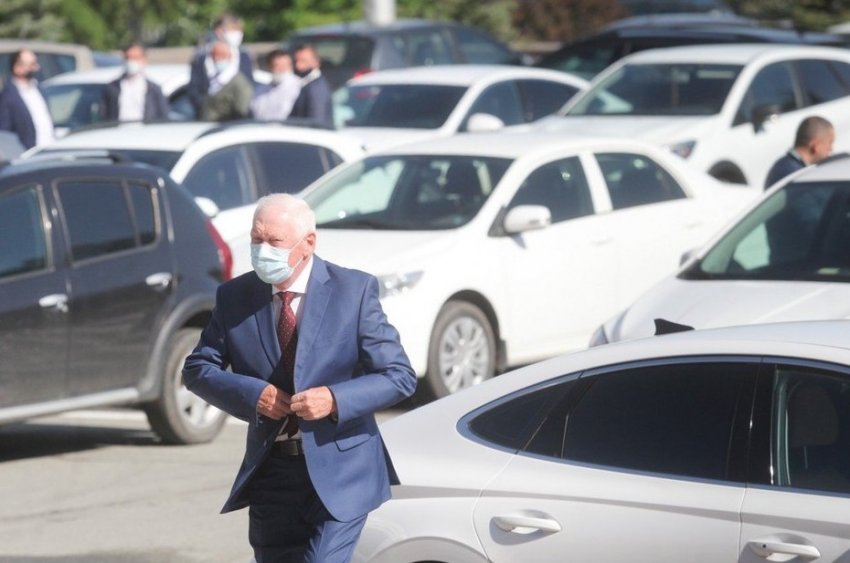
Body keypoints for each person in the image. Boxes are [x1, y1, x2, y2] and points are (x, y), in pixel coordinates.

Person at [182, 193, 416, 563]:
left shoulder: (352, 291)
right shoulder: (235, 296)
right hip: (273, 470)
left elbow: (398, 375)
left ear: (308, 243)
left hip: (342, 469)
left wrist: (334, 399)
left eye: (274, 241)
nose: (262, 250)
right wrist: (253, 394)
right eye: (256, 239)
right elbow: (198, 369)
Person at [188, 12, 254, 116]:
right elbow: (194, 91)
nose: (237, 33)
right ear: (219, 31)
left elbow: (249, 87)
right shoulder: (201, 58)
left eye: (239, 30)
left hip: (237, 117)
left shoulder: (244, 57)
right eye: (233, 29)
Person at [101, 44, 170, 122]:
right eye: (128, 58)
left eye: (135, 58)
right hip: (119, 129)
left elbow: (163, 115)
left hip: (145, 129)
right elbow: (105, 115)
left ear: (144, 60)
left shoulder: (154, 89)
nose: (131, 61)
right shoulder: (112, 88)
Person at [0, 49, 54, 149]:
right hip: (27, 153)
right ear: (18, 67)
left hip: (48, 150)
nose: (37, 67)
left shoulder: (38, 88)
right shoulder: (8, 97)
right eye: (32, 64)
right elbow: (5, 133)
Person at [764, 116, 835, 189]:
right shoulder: (797, 176)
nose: (830, 149)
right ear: (816, 146)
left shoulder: (783, 165)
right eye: (830, 143)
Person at [199, 40, 253, 122]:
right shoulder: (212, 80)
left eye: (222, 55)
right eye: (214, 55)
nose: (217, 59)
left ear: (230, 56)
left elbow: (241, 113)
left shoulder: (240, 84)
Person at [289, 44, 333, 128]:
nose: (298, 66)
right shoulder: (305, 84)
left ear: (316, 63)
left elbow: (316, 122)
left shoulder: (316, 88)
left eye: (303, 61)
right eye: (295, 61)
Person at [251, 49, 301, 121]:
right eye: (277, 66)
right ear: (269, 67)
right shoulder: (260, 91)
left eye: (285, 65)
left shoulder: (299, 87)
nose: (282, 69)